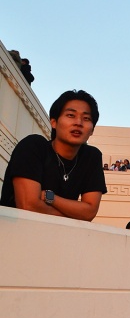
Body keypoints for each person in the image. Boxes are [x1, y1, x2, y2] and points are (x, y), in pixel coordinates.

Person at [1, 89, 106, 221]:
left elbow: (89, 212)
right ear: (54, 122)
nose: (78, 123)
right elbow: (28, 206)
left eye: (86, 118)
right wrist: (74, 216)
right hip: (13, 234)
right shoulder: (33, 146)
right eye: (70, 115)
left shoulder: (91, 157)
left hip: (57, 237)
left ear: (92, 130)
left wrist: (50, 197)